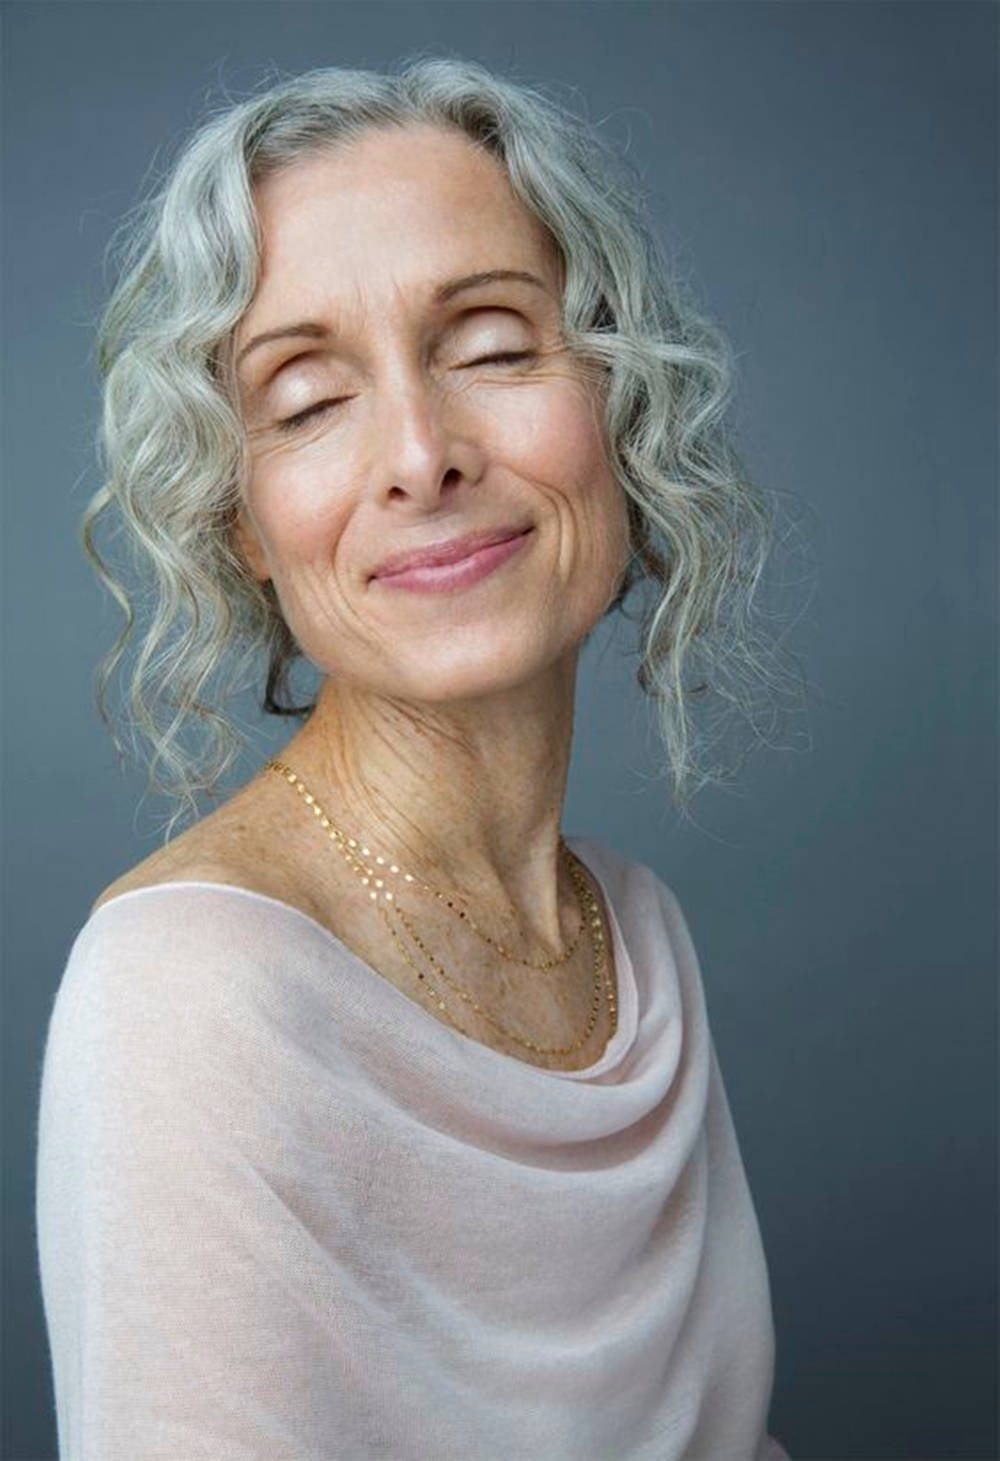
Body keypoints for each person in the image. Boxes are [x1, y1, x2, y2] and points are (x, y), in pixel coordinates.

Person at [36, 56, 797, 1460]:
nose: (419, 453)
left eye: (496, 347)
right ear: (245, 525)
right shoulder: (191, 998)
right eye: (311, 396)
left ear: (623, 413)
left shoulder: (632, 936)